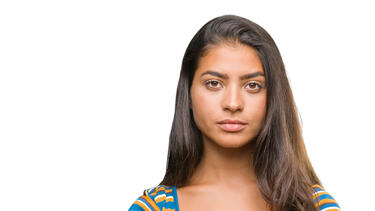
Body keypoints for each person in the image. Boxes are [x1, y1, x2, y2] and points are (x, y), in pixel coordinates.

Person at [128, 14, 341, 211]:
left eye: (252, 85)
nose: (233, 103)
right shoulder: (152, 208)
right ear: (188, 94)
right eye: (213, 83)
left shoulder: (315, 205)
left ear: (274, 97)